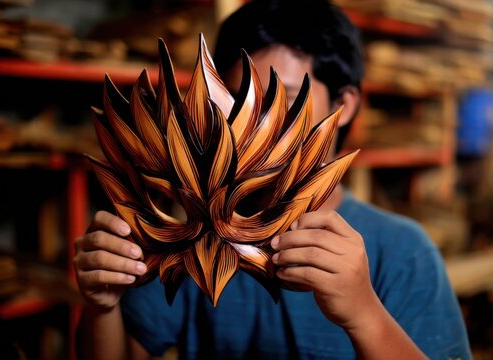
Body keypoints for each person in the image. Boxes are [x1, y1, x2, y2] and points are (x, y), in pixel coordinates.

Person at [74, 1, 472, 359]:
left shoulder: (401, 252)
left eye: (282, 99)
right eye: (235, 100)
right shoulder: (196, 233)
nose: (252, 125)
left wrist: (364, 313)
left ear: (344, 105)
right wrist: (101, 307)